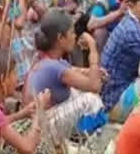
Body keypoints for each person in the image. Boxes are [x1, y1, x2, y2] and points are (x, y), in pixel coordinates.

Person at [24, 9, 104, 139]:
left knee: (78, 91)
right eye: (72, 32)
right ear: (60, 38)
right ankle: (89, 141)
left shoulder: (47, 59)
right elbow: (95, 86)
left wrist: (93, 72)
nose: (75, 36)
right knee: (92, 100)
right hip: (40, 129)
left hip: (41, 120)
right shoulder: (53, 66)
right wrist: (93, 47)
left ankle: (79, 136)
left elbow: (74, 71)